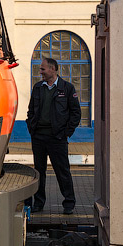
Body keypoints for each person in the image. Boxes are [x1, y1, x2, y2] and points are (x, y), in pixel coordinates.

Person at [26, 57, 81, 214]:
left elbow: (76, 113)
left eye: (43, 69)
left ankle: (69, 203)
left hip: (57, 138)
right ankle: (39, 203)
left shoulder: (67, 88)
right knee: (39, 172)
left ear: (52, 69)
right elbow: (31, 111)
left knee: (62, 171)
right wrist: (32, 128)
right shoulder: (38, 88)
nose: (40, 71)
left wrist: (66, 133)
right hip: (38, 138)